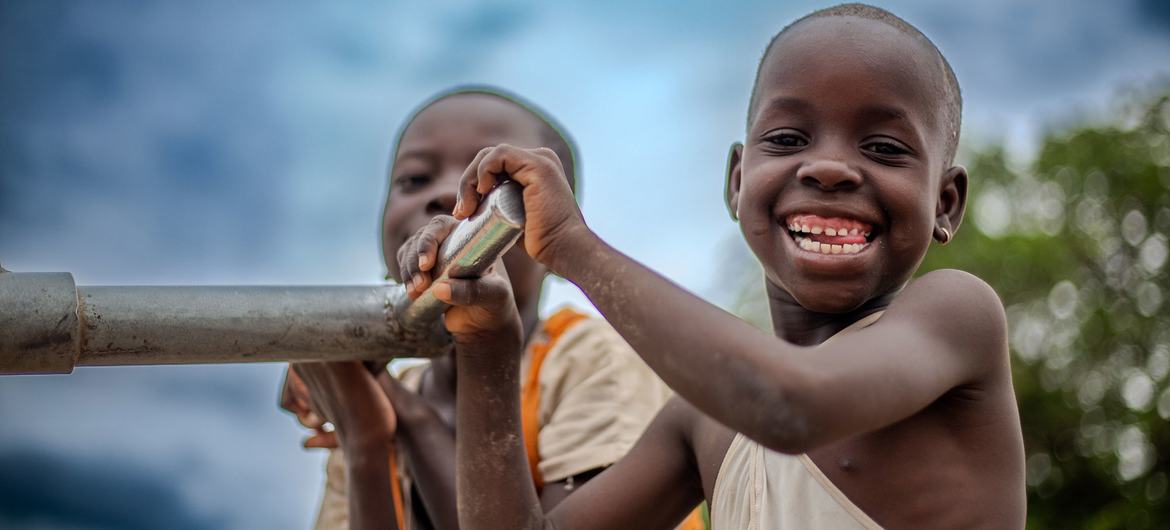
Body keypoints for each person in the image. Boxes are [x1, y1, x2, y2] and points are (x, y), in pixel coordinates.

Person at [409, 4, 1026, 528]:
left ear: (944, 203)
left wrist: (574, 246)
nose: (829, 168)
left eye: (885, 148)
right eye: (787, 139)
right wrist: (488, 345)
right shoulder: (701, 425)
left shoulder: (957, 315)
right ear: (737, 182)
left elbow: (790, 407)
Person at [282, 87, 678, 530]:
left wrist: (409, 420)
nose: (440, 196)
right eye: (413, 179)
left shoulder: (590, 356)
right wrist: (365, 441)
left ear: (556, 234)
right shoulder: (369, 400)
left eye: (491, 180)